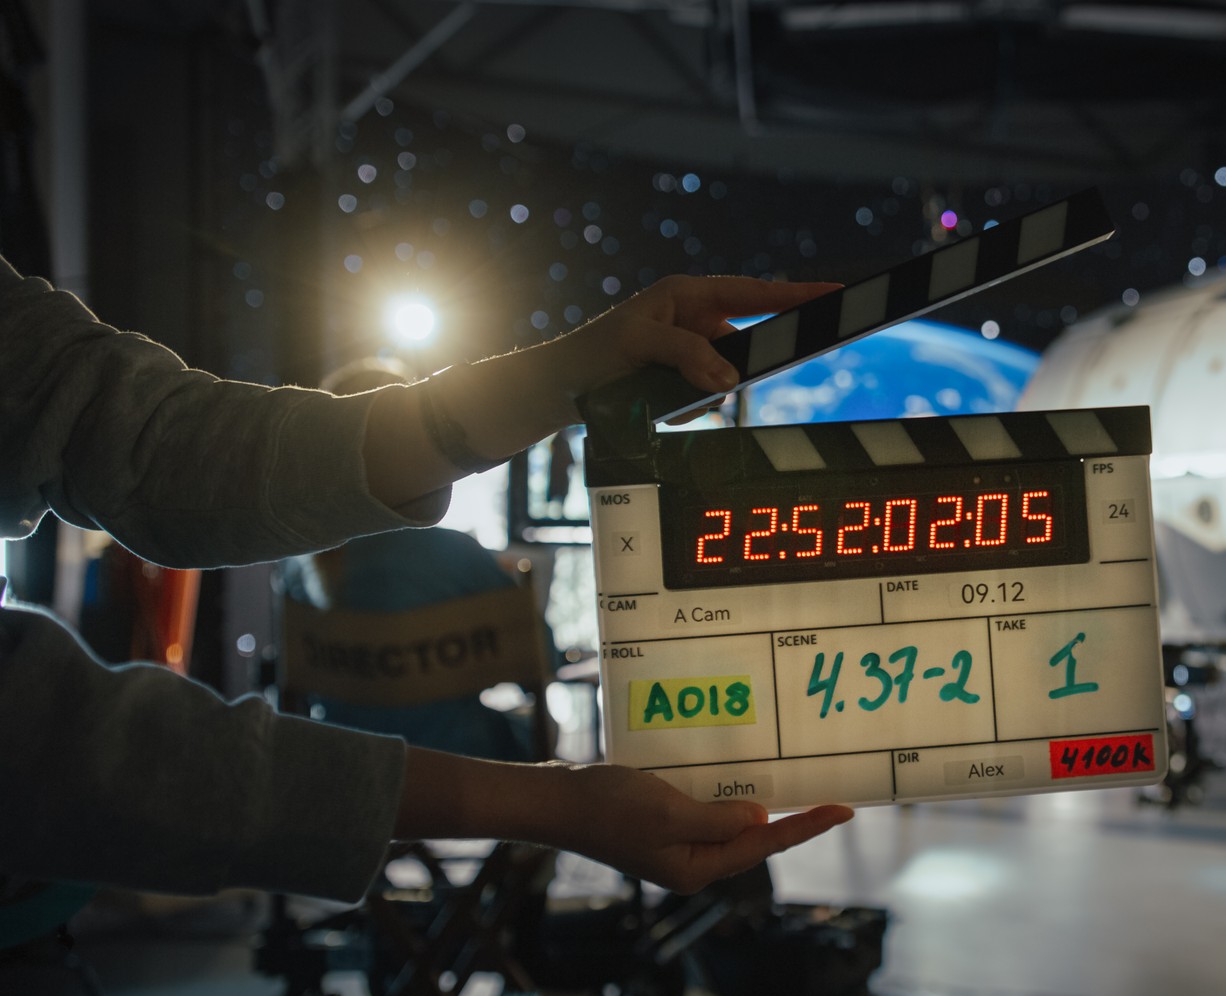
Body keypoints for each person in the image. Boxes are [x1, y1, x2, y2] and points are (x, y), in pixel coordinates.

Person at [0, 254, 853, 904]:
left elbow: (147, 445)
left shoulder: (302, 581)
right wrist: (559, 805)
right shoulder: (460, 562)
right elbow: (542, 655)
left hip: (344, 729)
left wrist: (568, 372)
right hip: (464, 751)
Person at [283, 358, 552, 764]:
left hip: (345, 768)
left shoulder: (298, 567)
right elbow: (539, 659)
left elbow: (289, 687)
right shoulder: (454, 555)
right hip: (462, 768)